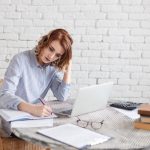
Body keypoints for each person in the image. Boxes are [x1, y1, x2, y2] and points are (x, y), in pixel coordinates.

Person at [0, 28, 73, 117]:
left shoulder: (51, 68)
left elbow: (62, 96)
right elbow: (4, 95)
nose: (51, 56)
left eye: (57, 55)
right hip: (10, 114)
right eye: (51, 49)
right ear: (44, 42)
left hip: (34, 117)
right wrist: (31, 108)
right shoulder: (20, 60)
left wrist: (68, 67)